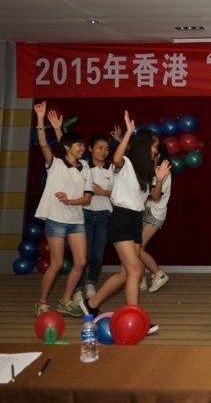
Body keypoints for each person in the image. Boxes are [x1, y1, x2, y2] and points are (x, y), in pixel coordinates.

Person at [80, 111, 171, 334]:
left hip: (135, 221)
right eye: (153, 146)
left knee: (125, 273)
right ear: (144, 146)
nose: (156, 150)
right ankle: (136, 318)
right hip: (121, 218)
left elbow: (155, 196)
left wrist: (159, 180)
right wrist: (129, 133)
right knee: (136, 270)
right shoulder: (127, 164)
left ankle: (90, 303)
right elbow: (116, 159)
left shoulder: (146, 172)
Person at [33, 102, 92, 317]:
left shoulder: (85, 168)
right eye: (78, 145)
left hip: (76, 220)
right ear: (68, 147)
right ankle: (41, 302)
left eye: (83, 145)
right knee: (57, 263)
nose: (82, 148)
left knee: (81, 261)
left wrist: (70, 201)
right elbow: (43, 143)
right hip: (56, 220)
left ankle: (65, 299)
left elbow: (87, 198)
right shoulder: (55, 164)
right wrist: (41, 119)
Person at [73, 135, 114, 303]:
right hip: (85, 215)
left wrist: (103, 192)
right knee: (84, 256)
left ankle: (91, 283)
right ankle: (77, 289)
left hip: (104, 216)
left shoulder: (112, 168)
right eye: (99, 148)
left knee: (98, 255)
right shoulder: (82, 166)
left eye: (106, 149)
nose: (103, 151)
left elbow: (120, 193)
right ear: (90, 149)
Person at [139, 142, 172, 293]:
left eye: (152, 152)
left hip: (155, 213)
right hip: (146, 211)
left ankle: (158, 273)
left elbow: (155, 196)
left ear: (158, 155)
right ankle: (141, 279)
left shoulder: (163, 172)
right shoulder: (149, 170)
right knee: (138, 247)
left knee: (137, 247)